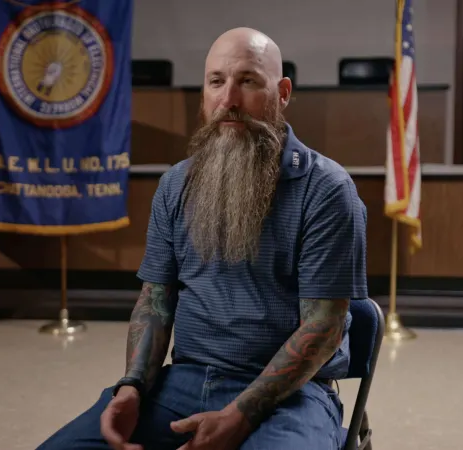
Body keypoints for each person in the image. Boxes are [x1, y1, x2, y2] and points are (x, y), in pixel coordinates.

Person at [36, 26, 368, 450]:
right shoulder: (177, 184)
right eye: (216, 82)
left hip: (293, 394)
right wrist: (133, 386)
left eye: (248, 81)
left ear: (282, 93)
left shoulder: (326, 190)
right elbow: (155, 299)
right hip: (185, 382)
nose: (228, 99)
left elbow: (324, 325)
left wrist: (241, 414)